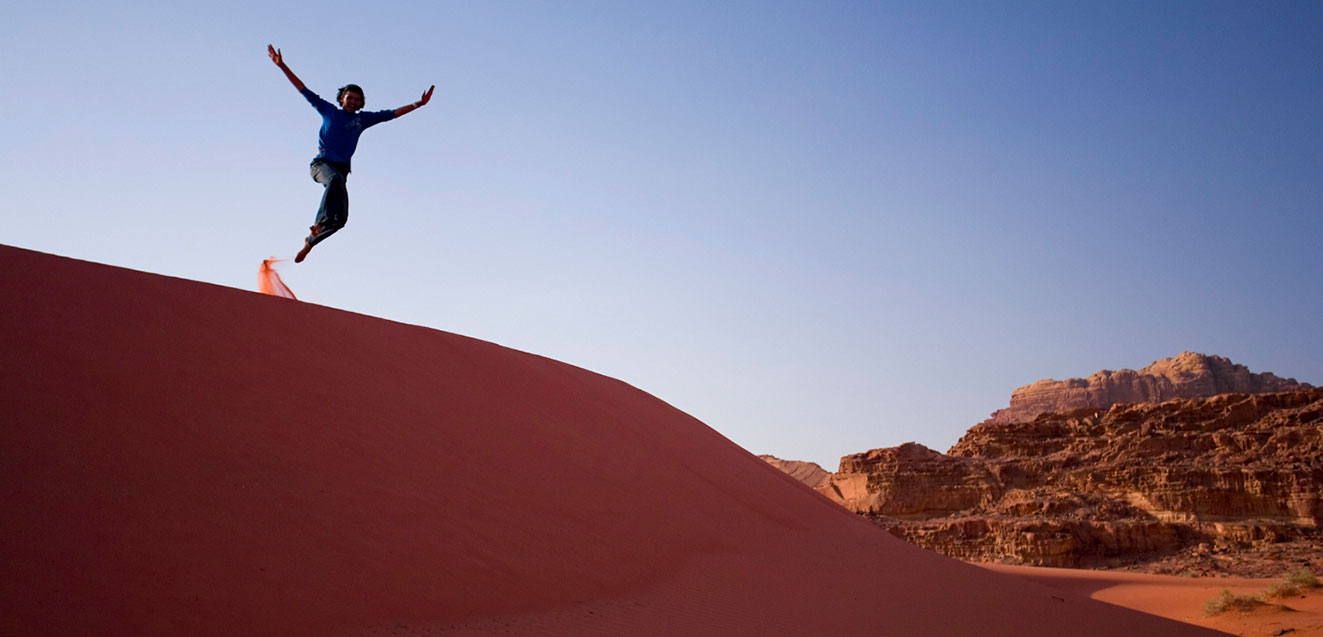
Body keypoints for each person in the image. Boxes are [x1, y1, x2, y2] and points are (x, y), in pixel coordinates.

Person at [268, 45, 435, 263]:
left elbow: (391, 114)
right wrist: (282, 66)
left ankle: (310, 242)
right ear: (342, 98)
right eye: (349, 98)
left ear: (361, 102)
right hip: (321, 166)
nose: (353, 102)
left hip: (340, 173)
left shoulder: (362, 120)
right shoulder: (328, 110)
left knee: (341, 220)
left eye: (357, 99)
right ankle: (319, 223)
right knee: (334, 181)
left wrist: (419, 104)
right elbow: (302, 88)